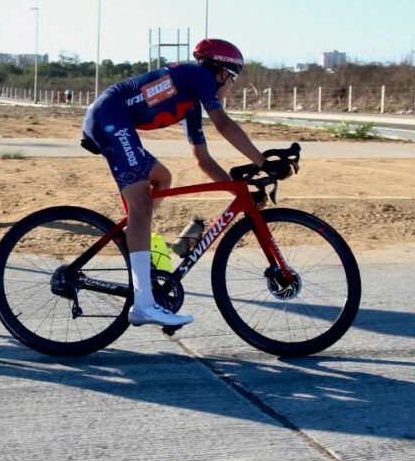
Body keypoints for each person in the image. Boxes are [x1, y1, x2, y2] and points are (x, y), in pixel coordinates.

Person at [81, 38, 288, 327]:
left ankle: (139, 249)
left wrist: (238, 191)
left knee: (162, 178)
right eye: (233, 79)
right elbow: (224, 124)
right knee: (141, 203)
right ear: (222, 73)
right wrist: (263, 162)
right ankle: (143, 303)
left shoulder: (190, 98)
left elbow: (202, 159)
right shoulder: (199, 76)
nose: (232, 87)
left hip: (112, 117)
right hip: (109, 117)